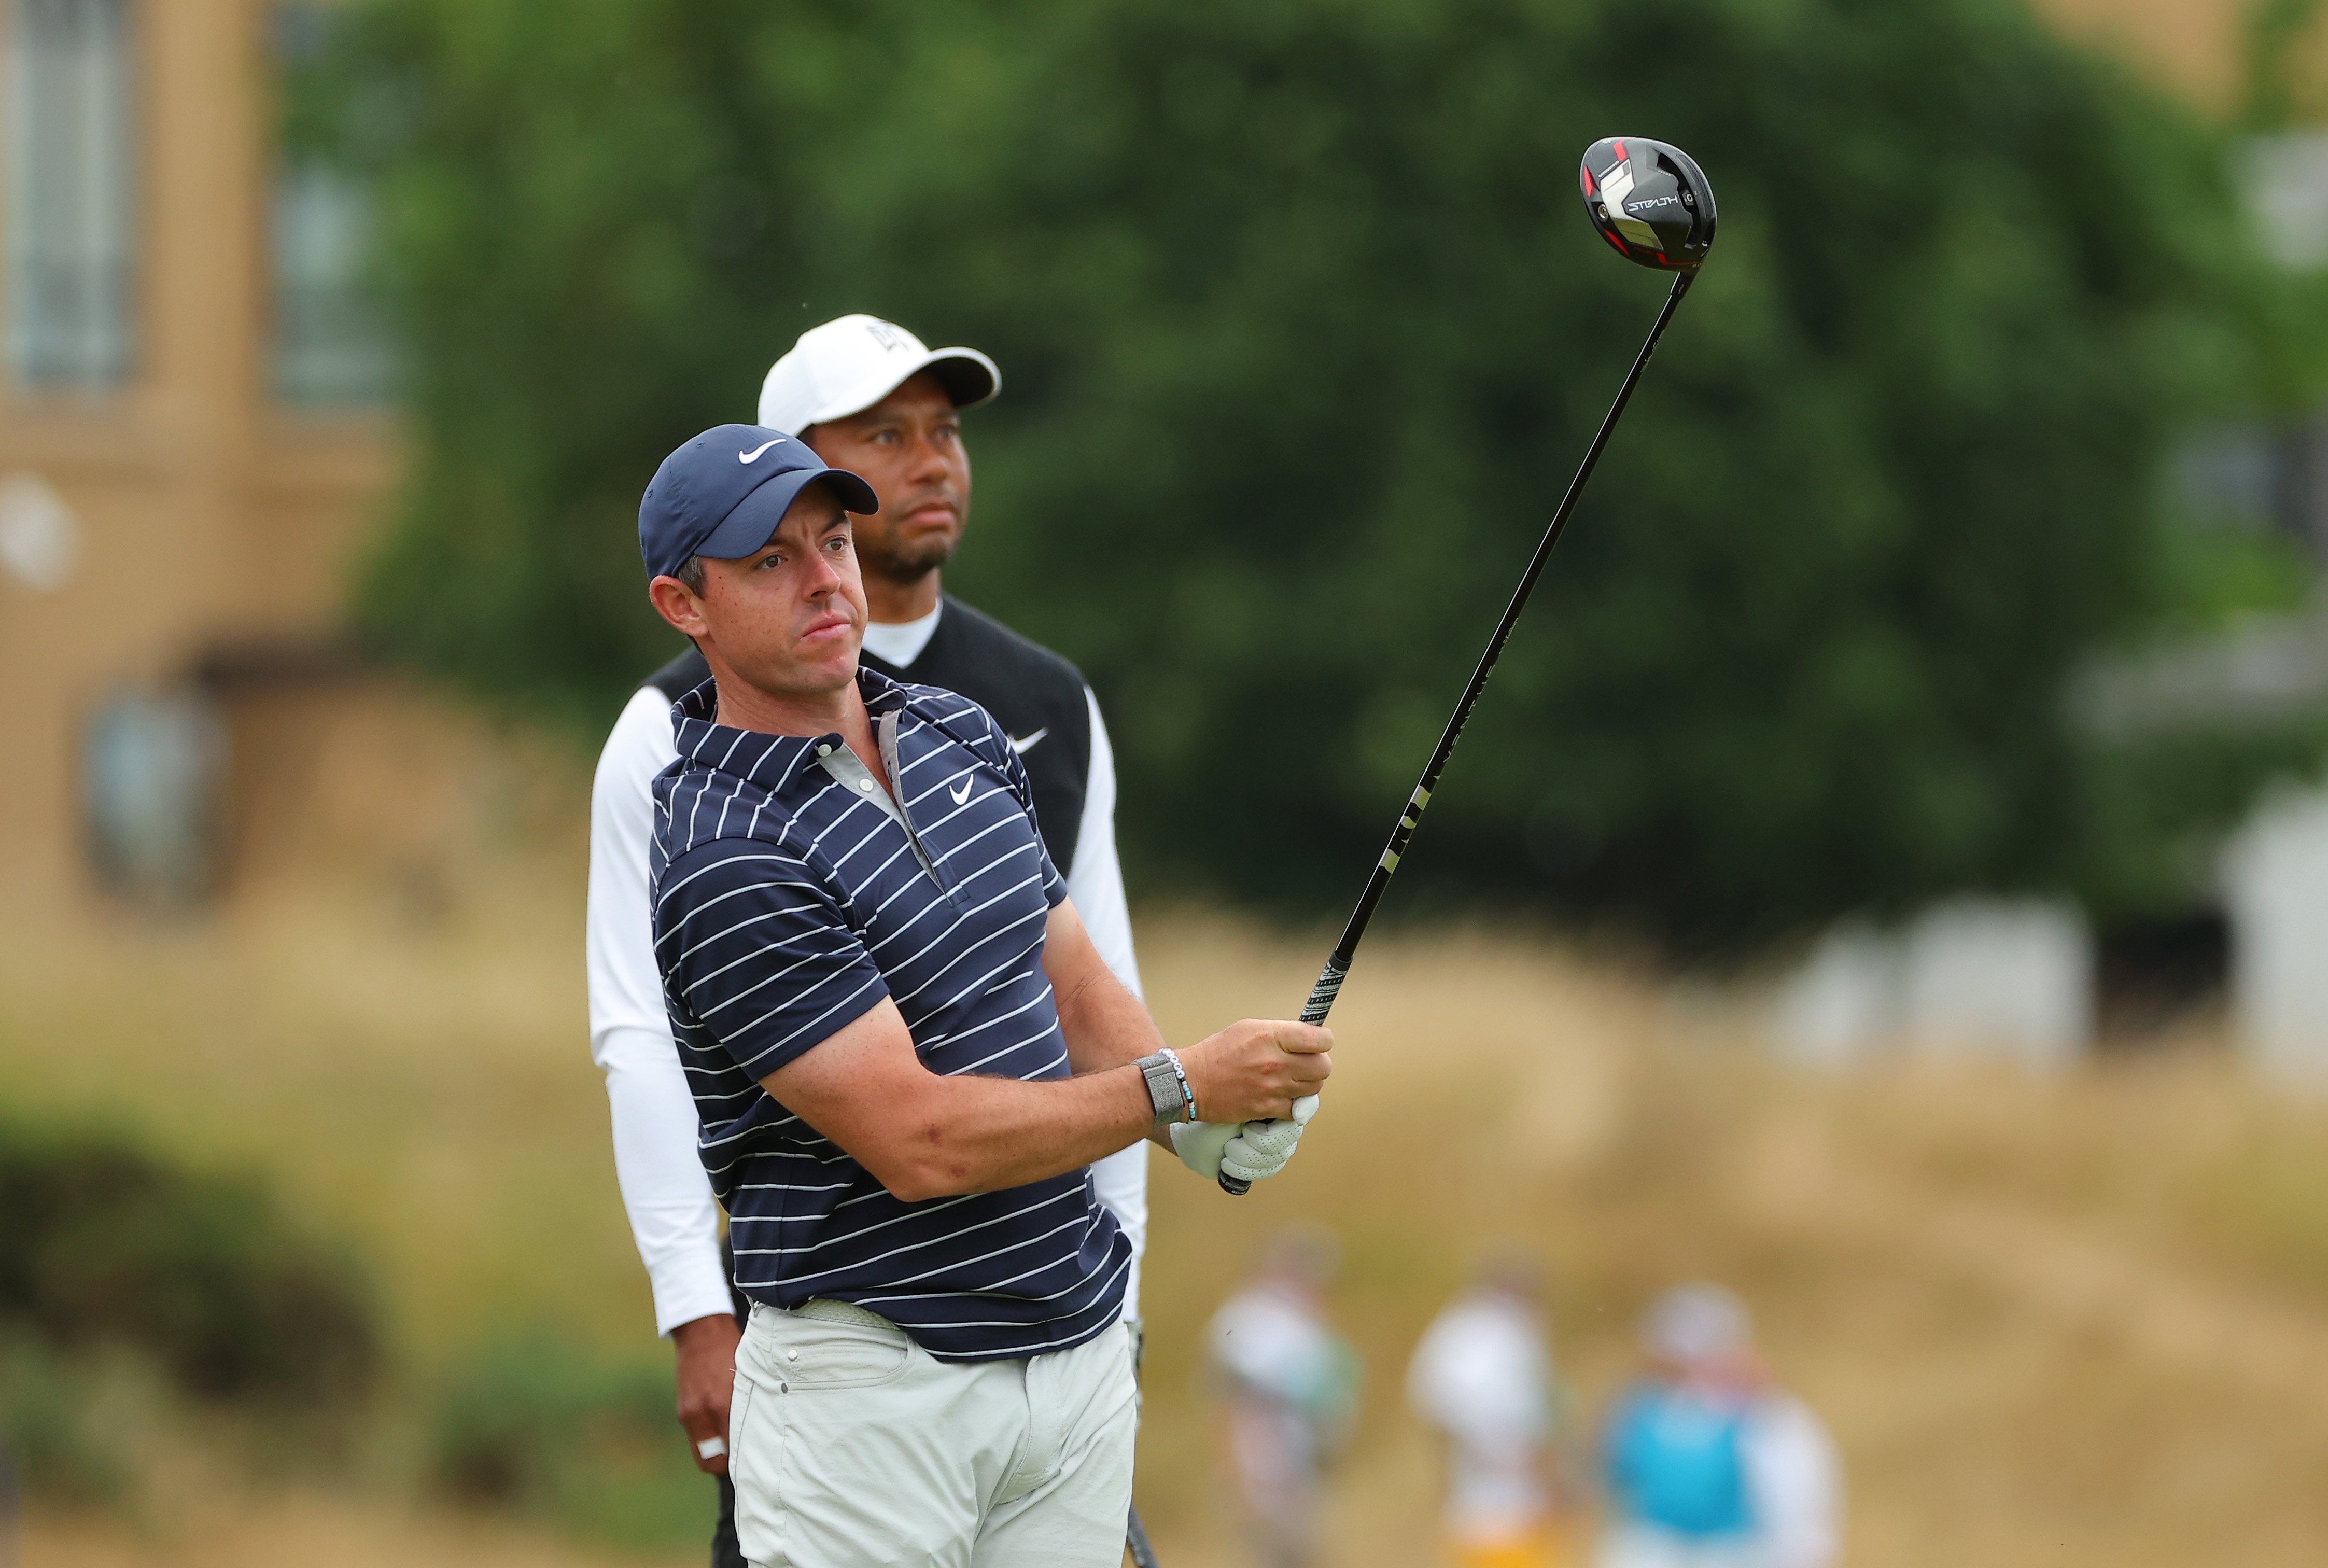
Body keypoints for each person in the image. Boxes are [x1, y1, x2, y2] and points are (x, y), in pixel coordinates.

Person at [636, 424, 1328, 1565]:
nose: (825, 579)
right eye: (770, 562)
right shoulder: (726, 853)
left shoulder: (955, 729)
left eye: (832, 542)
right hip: (872, 1399)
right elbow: (922, 1141)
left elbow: (1072, 983)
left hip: (1072, 1357)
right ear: (684, 605)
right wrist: (1183, 1084)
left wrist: (1208, 1130)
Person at [584, 316, 1157, 1563]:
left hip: (1062, 1330)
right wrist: (696, 1311)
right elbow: (637, 1031)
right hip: (852, 1337)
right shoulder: (667, 737)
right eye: (884, 435)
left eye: (943, 433)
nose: (931, 462)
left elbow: (1091, 986)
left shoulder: (1031, 703)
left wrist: (1123, 1284)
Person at [1597, 1286, 1841, 1568]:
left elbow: (1798, 1495)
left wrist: (1803, 1555)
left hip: (1733, 1553)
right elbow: (1613, 1473)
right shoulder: (1639, 1406)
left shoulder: (1765, 1414)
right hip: (1652, 1549)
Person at [1208, 1226, 1361, 1568]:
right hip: (1262, 1472)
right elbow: (1226, 1403)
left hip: (1302, 1471)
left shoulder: (1304, 1321)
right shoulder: (1249, 1318)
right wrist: (1237, 1474)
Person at [1408, 1253, 1572, 1568]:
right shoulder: (1485, 1334)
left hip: (1500, 1503)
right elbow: (1515, 1420)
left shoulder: (1469, 1331)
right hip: (1496, 1505)